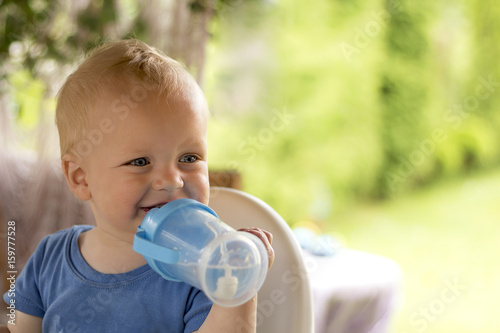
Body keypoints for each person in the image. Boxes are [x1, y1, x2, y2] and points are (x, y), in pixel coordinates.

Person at [2, 39, 274, 333]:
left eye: (189, 157)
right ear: (81, 178)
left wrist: (237, 285)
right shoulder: (49, 257)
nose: (172, 179)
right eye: (141, 161)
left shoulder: (202, 272)